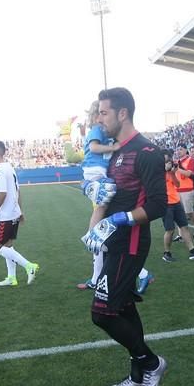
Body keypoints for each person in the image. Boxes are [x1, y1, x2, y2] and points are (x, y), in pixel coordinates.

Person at [81, 87, 167, 386]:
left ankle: (152, 363)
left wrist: (122, 219)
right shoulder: (114, 151)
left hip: (130, 241)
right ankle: (137, 374)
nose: (99, 118)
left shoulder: (146, 152)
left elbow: (158, 204)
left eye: (103, 112)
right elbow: (108, 190)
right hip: (112, 241)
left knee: (102, 313)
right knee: (123, 307)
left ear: (122, 113)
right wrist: (93, 192)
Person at [78, 101, 120, 290]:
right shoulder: (96, 129)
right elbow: (94, 148)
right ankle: (91, 236)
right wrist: (113, 147)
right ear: (96, 117)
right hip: (95, 172)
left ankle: (94, 238)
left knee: (102, 206)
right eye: (101, 114)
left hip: (99, 172)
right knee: (101, 206)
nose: (103, 119)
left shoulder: (104, 131)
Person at [0, 141, 39, 288]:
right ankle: (11, 278)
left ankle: (29, 266)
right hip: (13, 214)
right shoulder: (9, 167)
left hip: (6, 216)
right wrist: (20, 212)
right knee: (8, 246)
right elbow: (17, 191)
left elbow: (2, 193)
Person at [161, 150, 194, 262]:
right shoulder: (157, 172)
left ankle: (193, 251)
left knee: (184, 227)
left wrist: (172, 173)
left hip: (176, 202)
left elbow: (177, 184)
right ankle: (166, 253)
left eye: (169, 160)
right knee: (170, 230)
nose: (169, 162)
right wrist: (165, 171)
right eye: (167, 160)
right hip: (166, 204)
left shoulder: (170, 172)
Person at [174, 144, 194, 237]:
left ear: (186, 150)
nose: (178, 151)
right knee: (178, 212)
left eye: (181, 149)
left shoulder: (190, 160)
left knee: (189, 212)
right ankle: (180, 234)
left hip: (187, 190)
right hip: (177, 190)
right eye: (178, 149)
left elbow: (189, 174)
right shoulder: (177, 161)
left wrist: (177, 169)